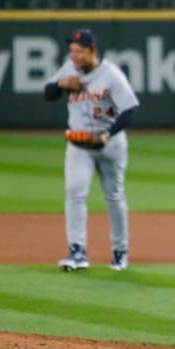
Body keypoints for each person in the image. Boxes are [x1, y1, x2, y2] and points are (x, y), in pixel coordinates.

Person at [44, 28, 139, 272]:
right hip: (78, 145)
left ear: (93, 51)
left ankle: (120, 251)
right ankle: (77, 251)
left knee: (114, 197)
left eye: (80, 51)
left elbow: (129, 110)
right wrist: (61, 84)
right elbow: (48, 93)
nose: (74, 56)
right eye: (72, 51)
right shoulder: (69, 69)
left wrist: (109, 133)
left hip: (110, 144)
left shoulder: (111, 75)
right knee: (74, 194)